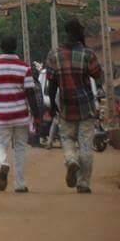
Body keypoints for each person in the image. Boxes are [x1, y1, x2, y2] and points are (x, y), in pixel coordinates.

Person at [45, 19, 103, 194]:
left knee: (67, 139)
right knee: (85, 144)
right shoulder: (88, 54)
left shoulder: (54, 54)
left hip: (65, 105)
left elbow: (51, 83)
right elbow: (98, 75)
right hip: (86, 106)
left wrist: (53, 106)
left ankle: (71, 160)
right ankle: (83, 183)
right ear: (80, 33)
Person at [0, 36, 41, 193]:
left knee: (0, 144)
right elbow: (30, 93)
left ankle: (2, 164)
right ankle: (20, 184)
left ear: (1, 48)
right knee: (20, 148)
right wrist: (37, 116)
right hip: (21, 115)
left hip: (2, 115)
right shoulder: (25, 67)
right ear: (15, 47)